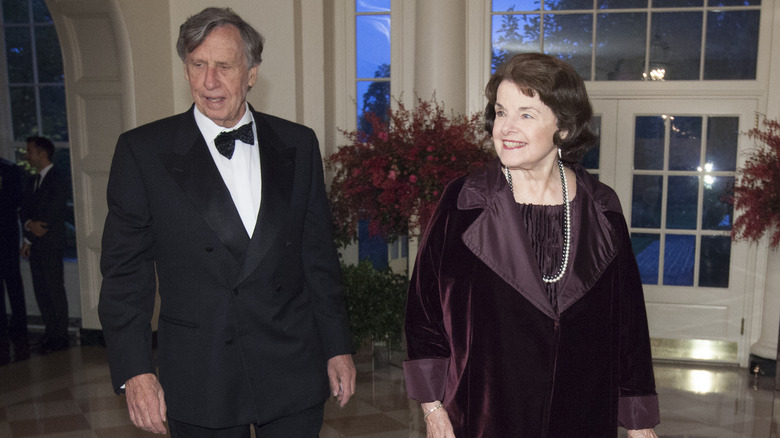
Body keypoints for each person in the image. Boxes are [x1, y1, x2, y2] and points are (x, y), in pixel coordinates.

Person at [98, 7, 356, 437]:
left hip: (291, 363)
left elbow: (318, 258)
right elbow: (125, 274)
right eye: (198, 65)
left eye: (224, 66)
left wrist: (338, 347)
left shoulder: (298, 144)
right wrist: (136, 371)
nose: (209, 81)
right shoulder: (142, 153)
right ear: (186, 70)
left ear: (252, 72)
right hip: (202, 371)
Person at [403, 53, 660, 437]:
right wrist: (433, 408)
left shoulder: (602, 206)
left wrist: (638, 422)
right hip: (482, 416)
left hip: (580, 413)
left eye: (526, 114)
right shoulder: (464, 201)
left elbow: (628, 320)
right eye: (501, 111)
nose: (506, 127)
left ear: (565, 128)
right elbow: (423, 310)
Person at [20, 136, 69, 353]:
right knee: (41, 290)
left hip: (51, 244)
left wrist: (35, 229)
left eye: (29, 151)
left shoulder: (57, 178)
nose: (26, 155)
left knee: (54, 289)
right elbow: (26, 211)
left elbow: (53, 211)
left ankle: (60, 335)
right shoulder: (32, 181)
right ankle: (51, 332)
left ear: (42, 154)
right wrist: (28, 229)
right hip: (37, 244)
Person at [0, 158, 29, 363]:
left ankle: (19, 325)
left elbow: (17, 200)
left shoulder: (9, 170)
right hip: (8, 229)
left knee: (12, 278)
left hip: (7, 231)